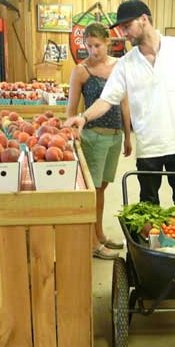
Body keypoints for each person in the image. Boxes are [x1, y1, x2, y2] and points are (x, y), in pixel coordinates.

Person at [65, 0, 175, 206]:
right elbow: (106, 100)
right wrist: (83, 117)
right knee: (148, 206)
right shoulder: (126, 64)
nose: (123, 33)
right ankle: (151, 240)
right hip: (148, 148)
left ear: (143, 19)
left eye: (126, 27)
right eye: (121, 29)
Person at [67, 22, 132, 260]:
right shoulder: (81, 70)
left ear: (108, 43)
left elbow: (123, 102)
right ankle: (93, 242)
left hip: (115, 136)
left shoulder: (119, 67)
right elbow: (71, 108)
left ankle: (100, 233)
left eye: (98, 45)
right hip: (93, 137)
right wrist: (72, 135)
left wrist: (127, 134)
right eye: (89, 46)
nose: (94, 50)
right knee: (92, 191)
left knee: (102, 187)